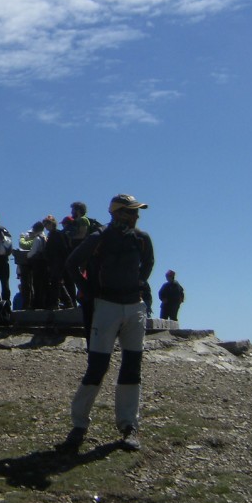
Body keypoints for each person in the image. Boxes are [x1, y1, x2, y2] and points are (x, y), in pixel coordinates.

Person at [61, 194, 154, 453]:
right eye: (131, 212)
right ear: (118, 213)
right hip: (106, 307)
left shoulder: (141, 239)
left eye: (136, 212)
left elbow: (147, 265)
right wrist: (88, 291)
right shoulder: (99, 237)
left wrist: (137, 284)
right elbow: (71, 264)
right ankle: (79, 424)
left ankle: (128, 427)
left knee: (132, 366)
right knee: (97, 366)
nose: (136, 216)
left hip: (133, 306)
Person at [26, 221, 48, 310]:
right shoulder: (45, 237)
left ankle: (37, 303)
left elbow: (32, 252)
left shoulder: (37, 239)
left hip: (38, 264)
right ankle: (44, 302)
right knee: (44, 284)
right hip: (45, 263)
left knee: (37, 284)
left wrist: (27, 255)